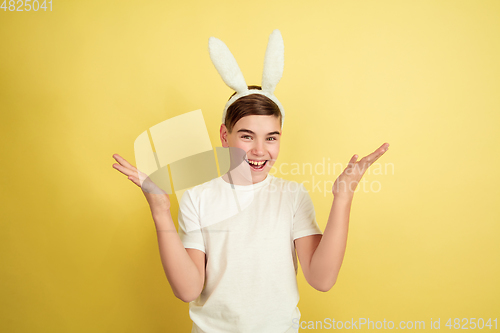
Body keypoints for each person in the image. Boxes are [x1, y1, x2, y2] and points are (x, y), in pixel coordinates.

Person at [112, 30, 389, 333]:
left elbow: (321, 280)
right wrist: (161, 211)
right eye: (247, 136)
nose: (260, 150)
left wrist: (343, 198)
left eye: (271, 138)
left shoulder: (292, 196)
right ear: (224, 136)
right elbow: (188, 290)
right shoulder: (198, 198)